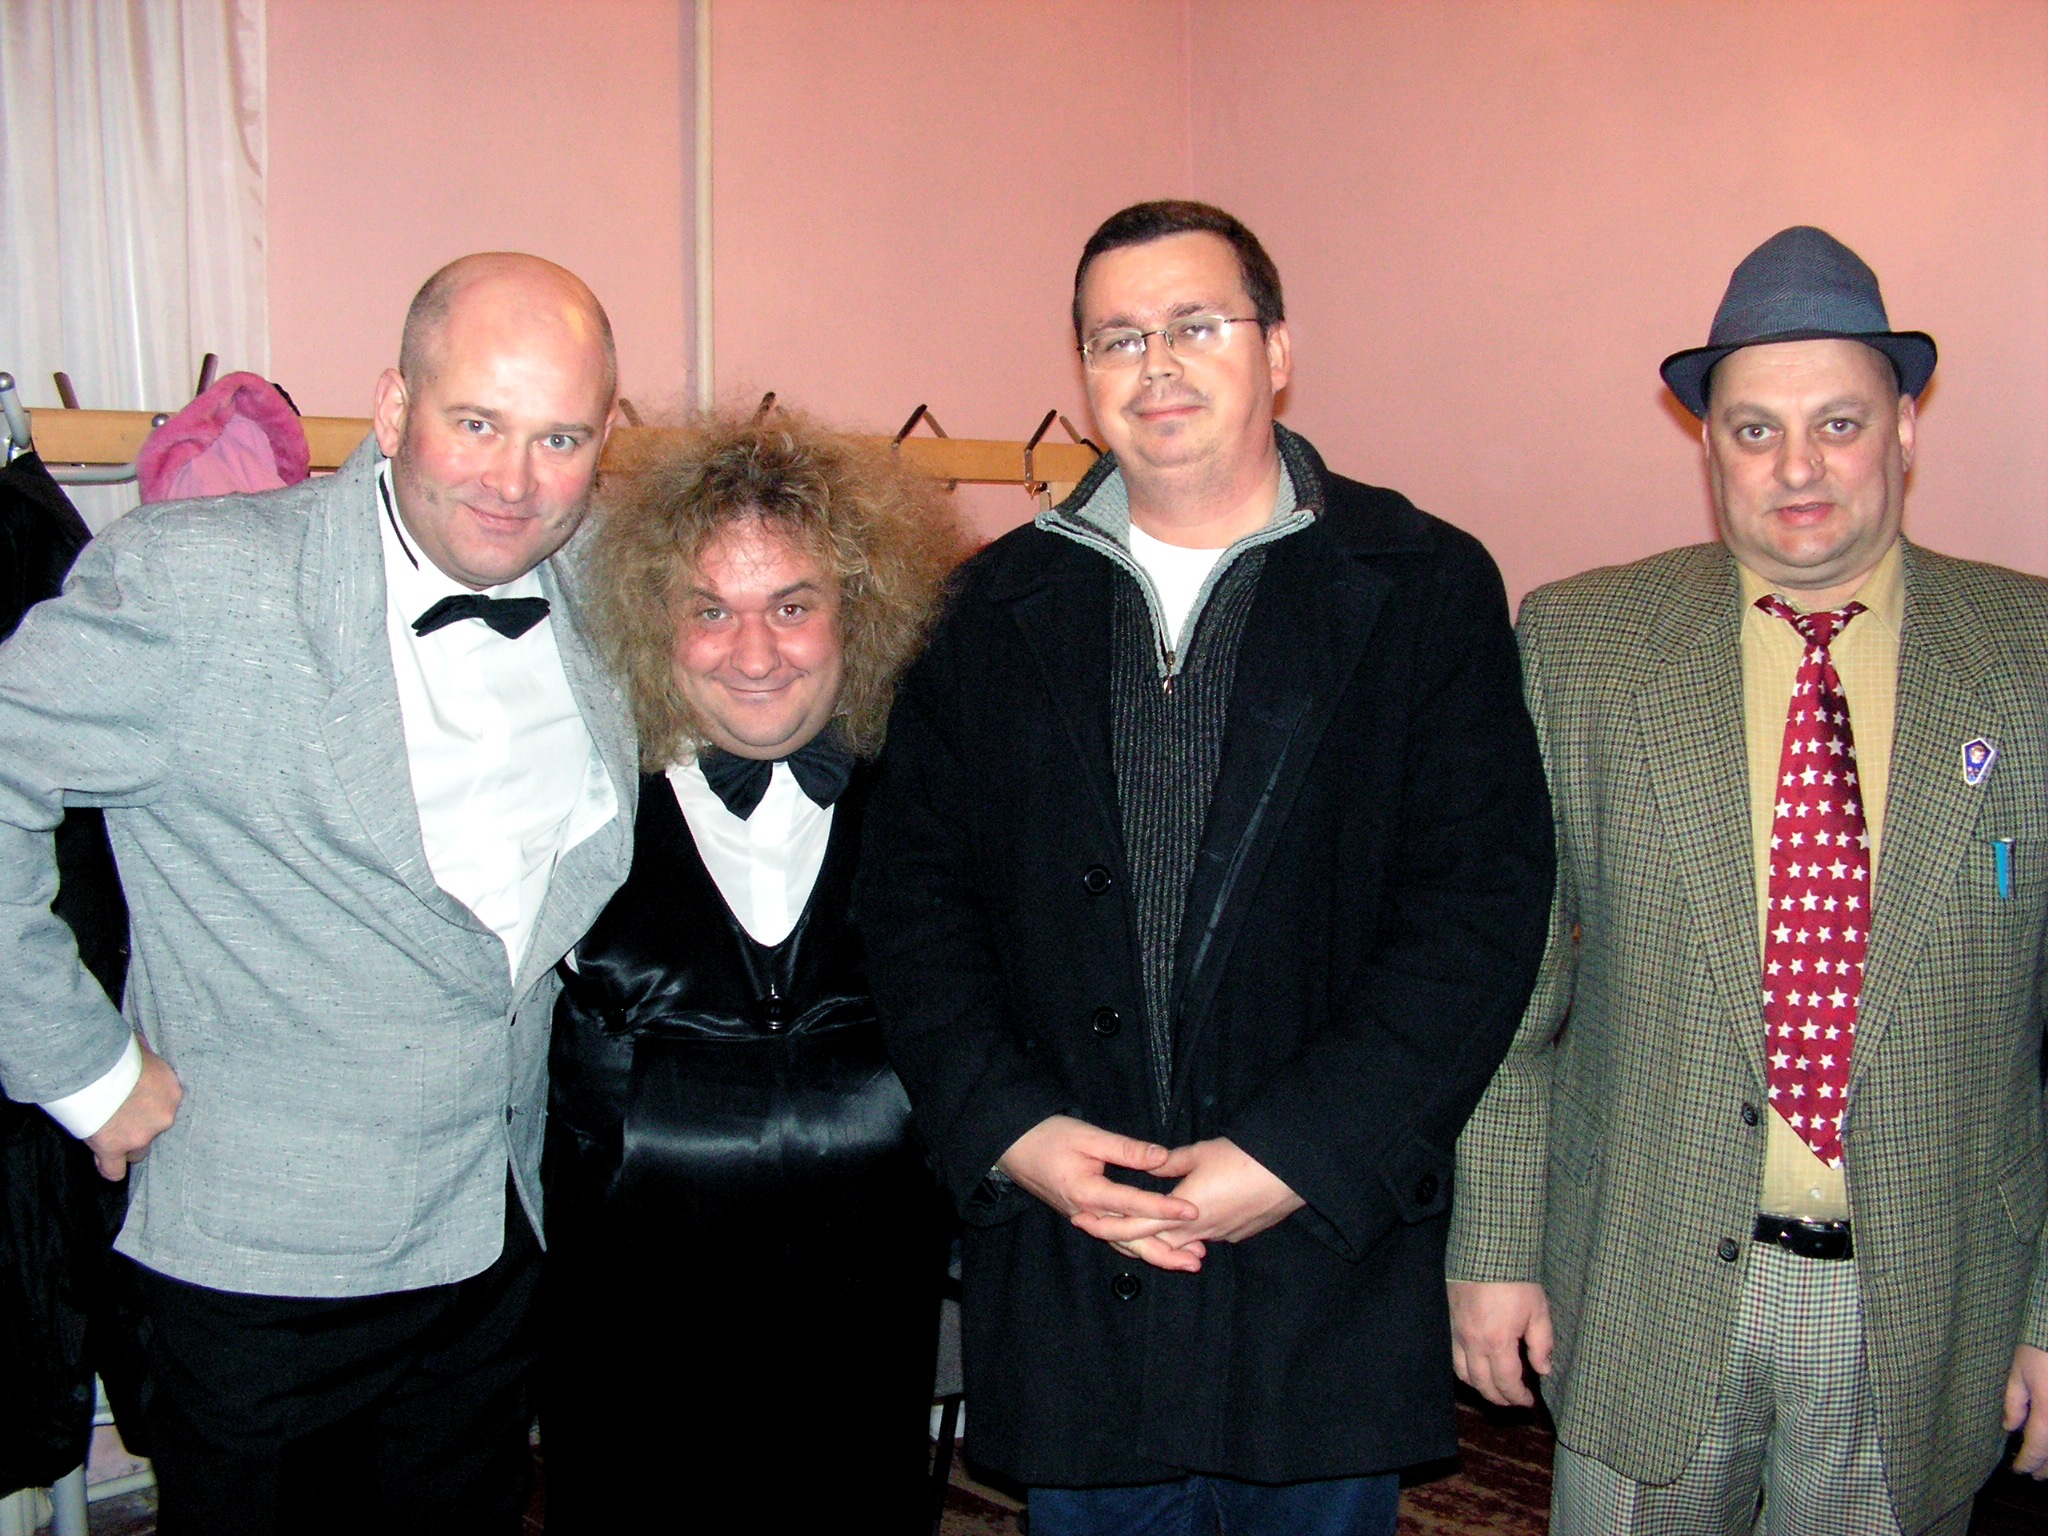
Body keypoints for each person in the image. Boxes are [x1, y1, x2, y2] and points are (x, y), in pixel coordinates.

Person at [858, 199, 1555, 1535]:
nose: (1156, 364)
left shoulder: (1420, 585)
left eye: (1195, 324)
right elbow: (914, 908)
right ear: (1082, 371)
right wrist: (1016, 1133)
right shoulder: (983, 610)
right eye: (1116, 337)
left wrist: (1297, 1154)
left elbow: (1475, 914)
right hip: (1076, 1251)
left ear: (1277, 350)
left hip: (1318, 1261)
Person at [0, 252, 637, 1535]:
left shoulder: (606, 594)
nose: (515, 482)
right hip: (259, 1275)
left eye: (559, 439)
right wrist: (79, 1066)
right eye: (477, 423)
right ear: (394, 408)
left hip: (489, 1248)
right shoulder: (200, 583)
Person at [1448, 226, 2048, 1536]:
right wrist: (1490, 1248)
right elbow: (1509, 993)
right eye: (1753, 430)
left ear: (1903, 430)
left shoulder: (2030, 654)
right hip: (1643, 1283)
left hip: (1925, 1300)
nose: (1797, 468)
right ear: (1707, 446)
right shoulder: (1580, 644)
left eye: (1838, 423)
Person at [539, 410, 960, 1530]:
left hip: (868, 1358)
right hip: (628, 1369)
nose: (756, 654)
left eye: (793, 605)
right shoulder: (572, 803)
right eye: (710, 610)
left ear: (859, 612)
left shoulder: (935, 810)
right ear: (653, 620)